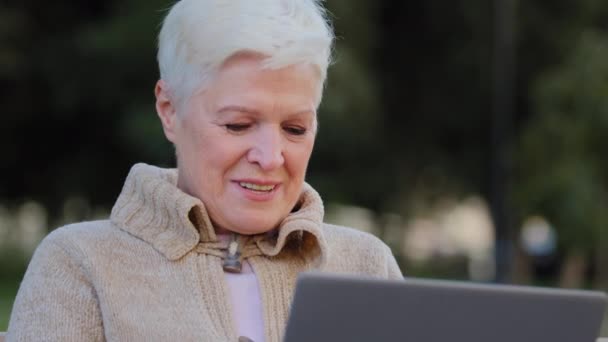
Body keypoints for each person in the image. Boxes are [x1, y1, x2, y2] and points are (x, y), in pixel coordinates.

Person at [6, 0, 403, 341]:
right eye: (238, 125)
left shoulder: (367, 267)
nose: (270, 157)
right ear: (169, 110)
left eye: (295, 129)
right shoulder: (81, 263)